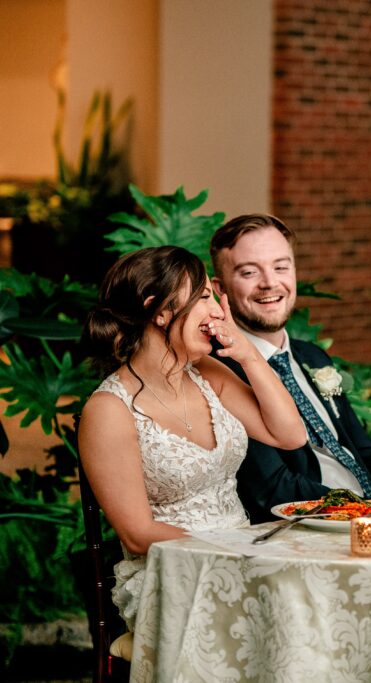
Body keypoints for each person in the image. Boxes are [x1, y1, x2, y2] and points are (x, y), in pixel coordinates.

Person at [79, 246, 306, 632]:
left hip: (243, 556)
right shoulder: (108, 411)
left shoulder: (209, 374)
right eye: (203, 297)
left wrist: (249, 355)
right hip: (169, 571)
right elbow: (137, 534)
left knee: (307, 601)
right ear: (160, 310)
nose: (219, 310)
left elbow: (289, 435)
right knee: (284, 616)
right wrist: (235, 553)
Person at [210, 214, 371, 523]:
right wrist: (364, 510)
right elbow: (272, 487)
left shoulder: (313, 356)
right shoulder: (221, 372)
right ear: (220, 288)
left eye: (281, 267)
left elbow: (364, 448)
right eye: (249, 272)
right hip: (307, 528)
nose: (270, 282)